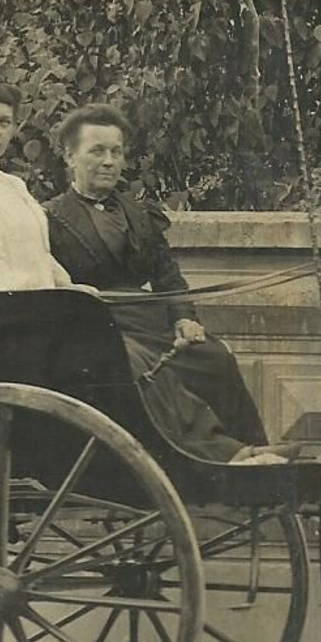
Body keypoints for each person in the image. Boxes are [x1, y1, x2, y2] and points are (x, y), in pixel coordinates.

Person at [0, 70, 289, 464]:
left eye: (4, 122)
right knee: (128, 357)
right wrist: (57, 300)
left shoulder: (10, 186)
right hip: (24, 325)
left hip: (56, 315)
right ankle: (216, 453)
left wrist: (72, 289)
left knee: (197, 356)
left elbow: (40, 259)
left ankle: (243, 446)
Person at [42, 103, 277, 452]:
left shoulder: (138, 212)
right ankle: (210, 454)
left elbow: (167, 276)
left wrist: (184, 318)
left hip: (150, 322)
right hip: (98, 329)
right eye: (97, 151)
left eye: (116, 152)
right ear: (70, 157)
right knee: (146, 369)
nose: (109, 161)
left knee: (214, 358)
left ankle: (251, 453)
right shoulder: (48, 217)